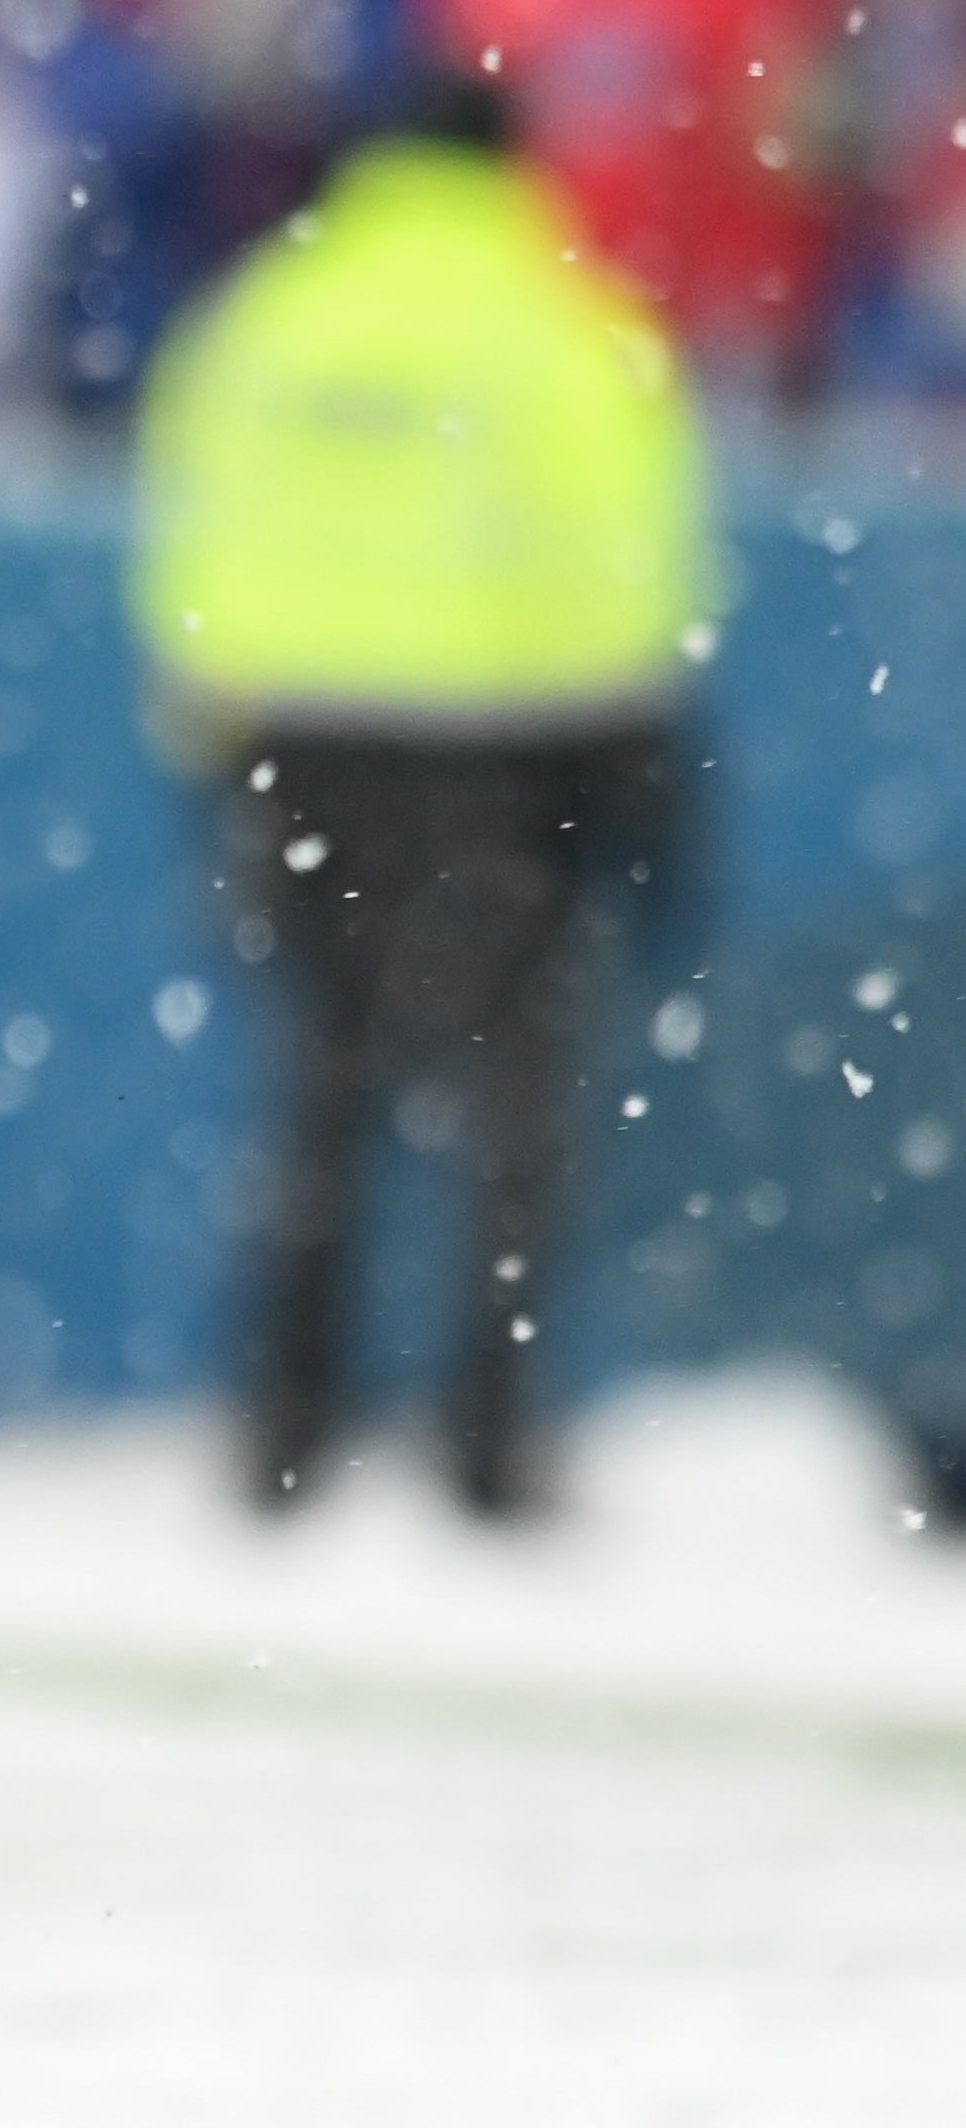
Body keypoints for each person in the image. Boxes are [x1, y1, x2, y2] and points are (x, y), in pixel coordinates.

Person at [131, 75, 715, 1523]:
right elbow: (627, 560)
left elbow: (185, 531)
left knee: (319, 1101)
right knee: (515, 1117)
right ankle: (489, 1442)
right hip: (505, 755)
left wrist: (216, 724)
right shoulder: (562, 319)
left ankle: (283, 1430)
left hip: (300, 745)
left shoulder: (267, 313)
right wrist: (640, 763)